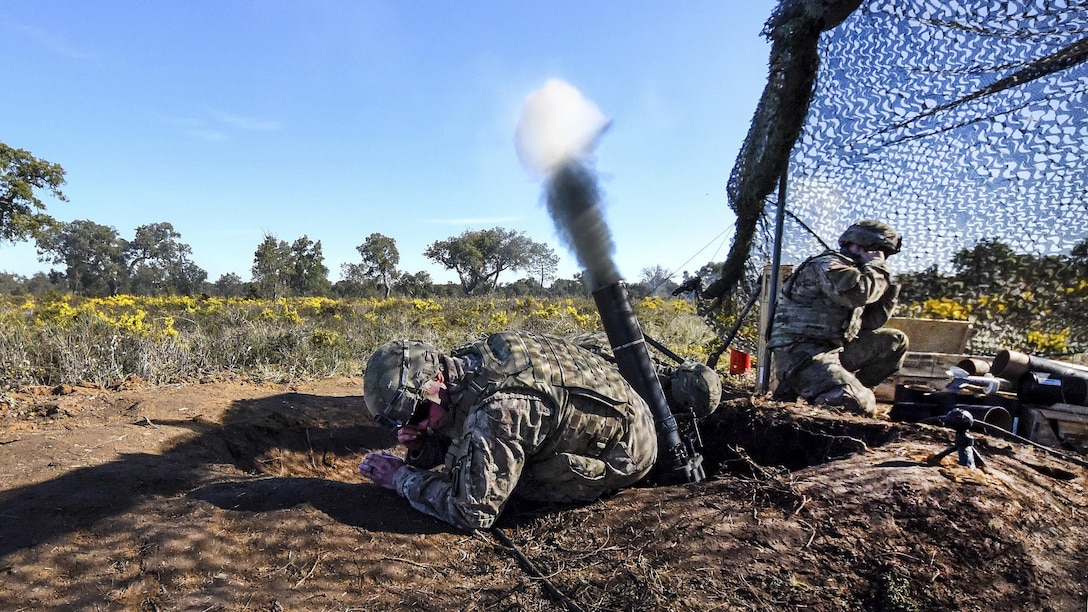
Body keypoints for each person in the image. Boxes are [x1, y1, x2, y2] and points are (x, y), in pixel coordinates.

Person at [357, 330, 659, 531]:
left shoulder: (500, 410)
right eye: (403, 422)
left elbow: (473, 512)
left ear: (436, 377)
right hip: (613, 403)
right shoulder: (466, 367)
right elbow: (459, 423)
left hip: (631, 448)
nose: (415, 425)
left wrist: (400, 478)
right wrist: (423, 447)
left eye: (418, 413)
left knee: (513, 483)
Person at [767, 220, 909, 415]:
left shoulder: (861, 272)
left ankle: (844, 384)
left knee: (895, 341)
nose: (882, 257)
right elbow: (857, 294)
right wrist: (877, 267)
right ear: (862, 245)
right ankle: (832, 391)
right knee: (856, 402)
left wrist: (889, 288)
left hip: (834, 348)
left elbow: (872, 323)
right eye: (879, 251)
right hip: (801, 352)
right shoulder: (828, 264)